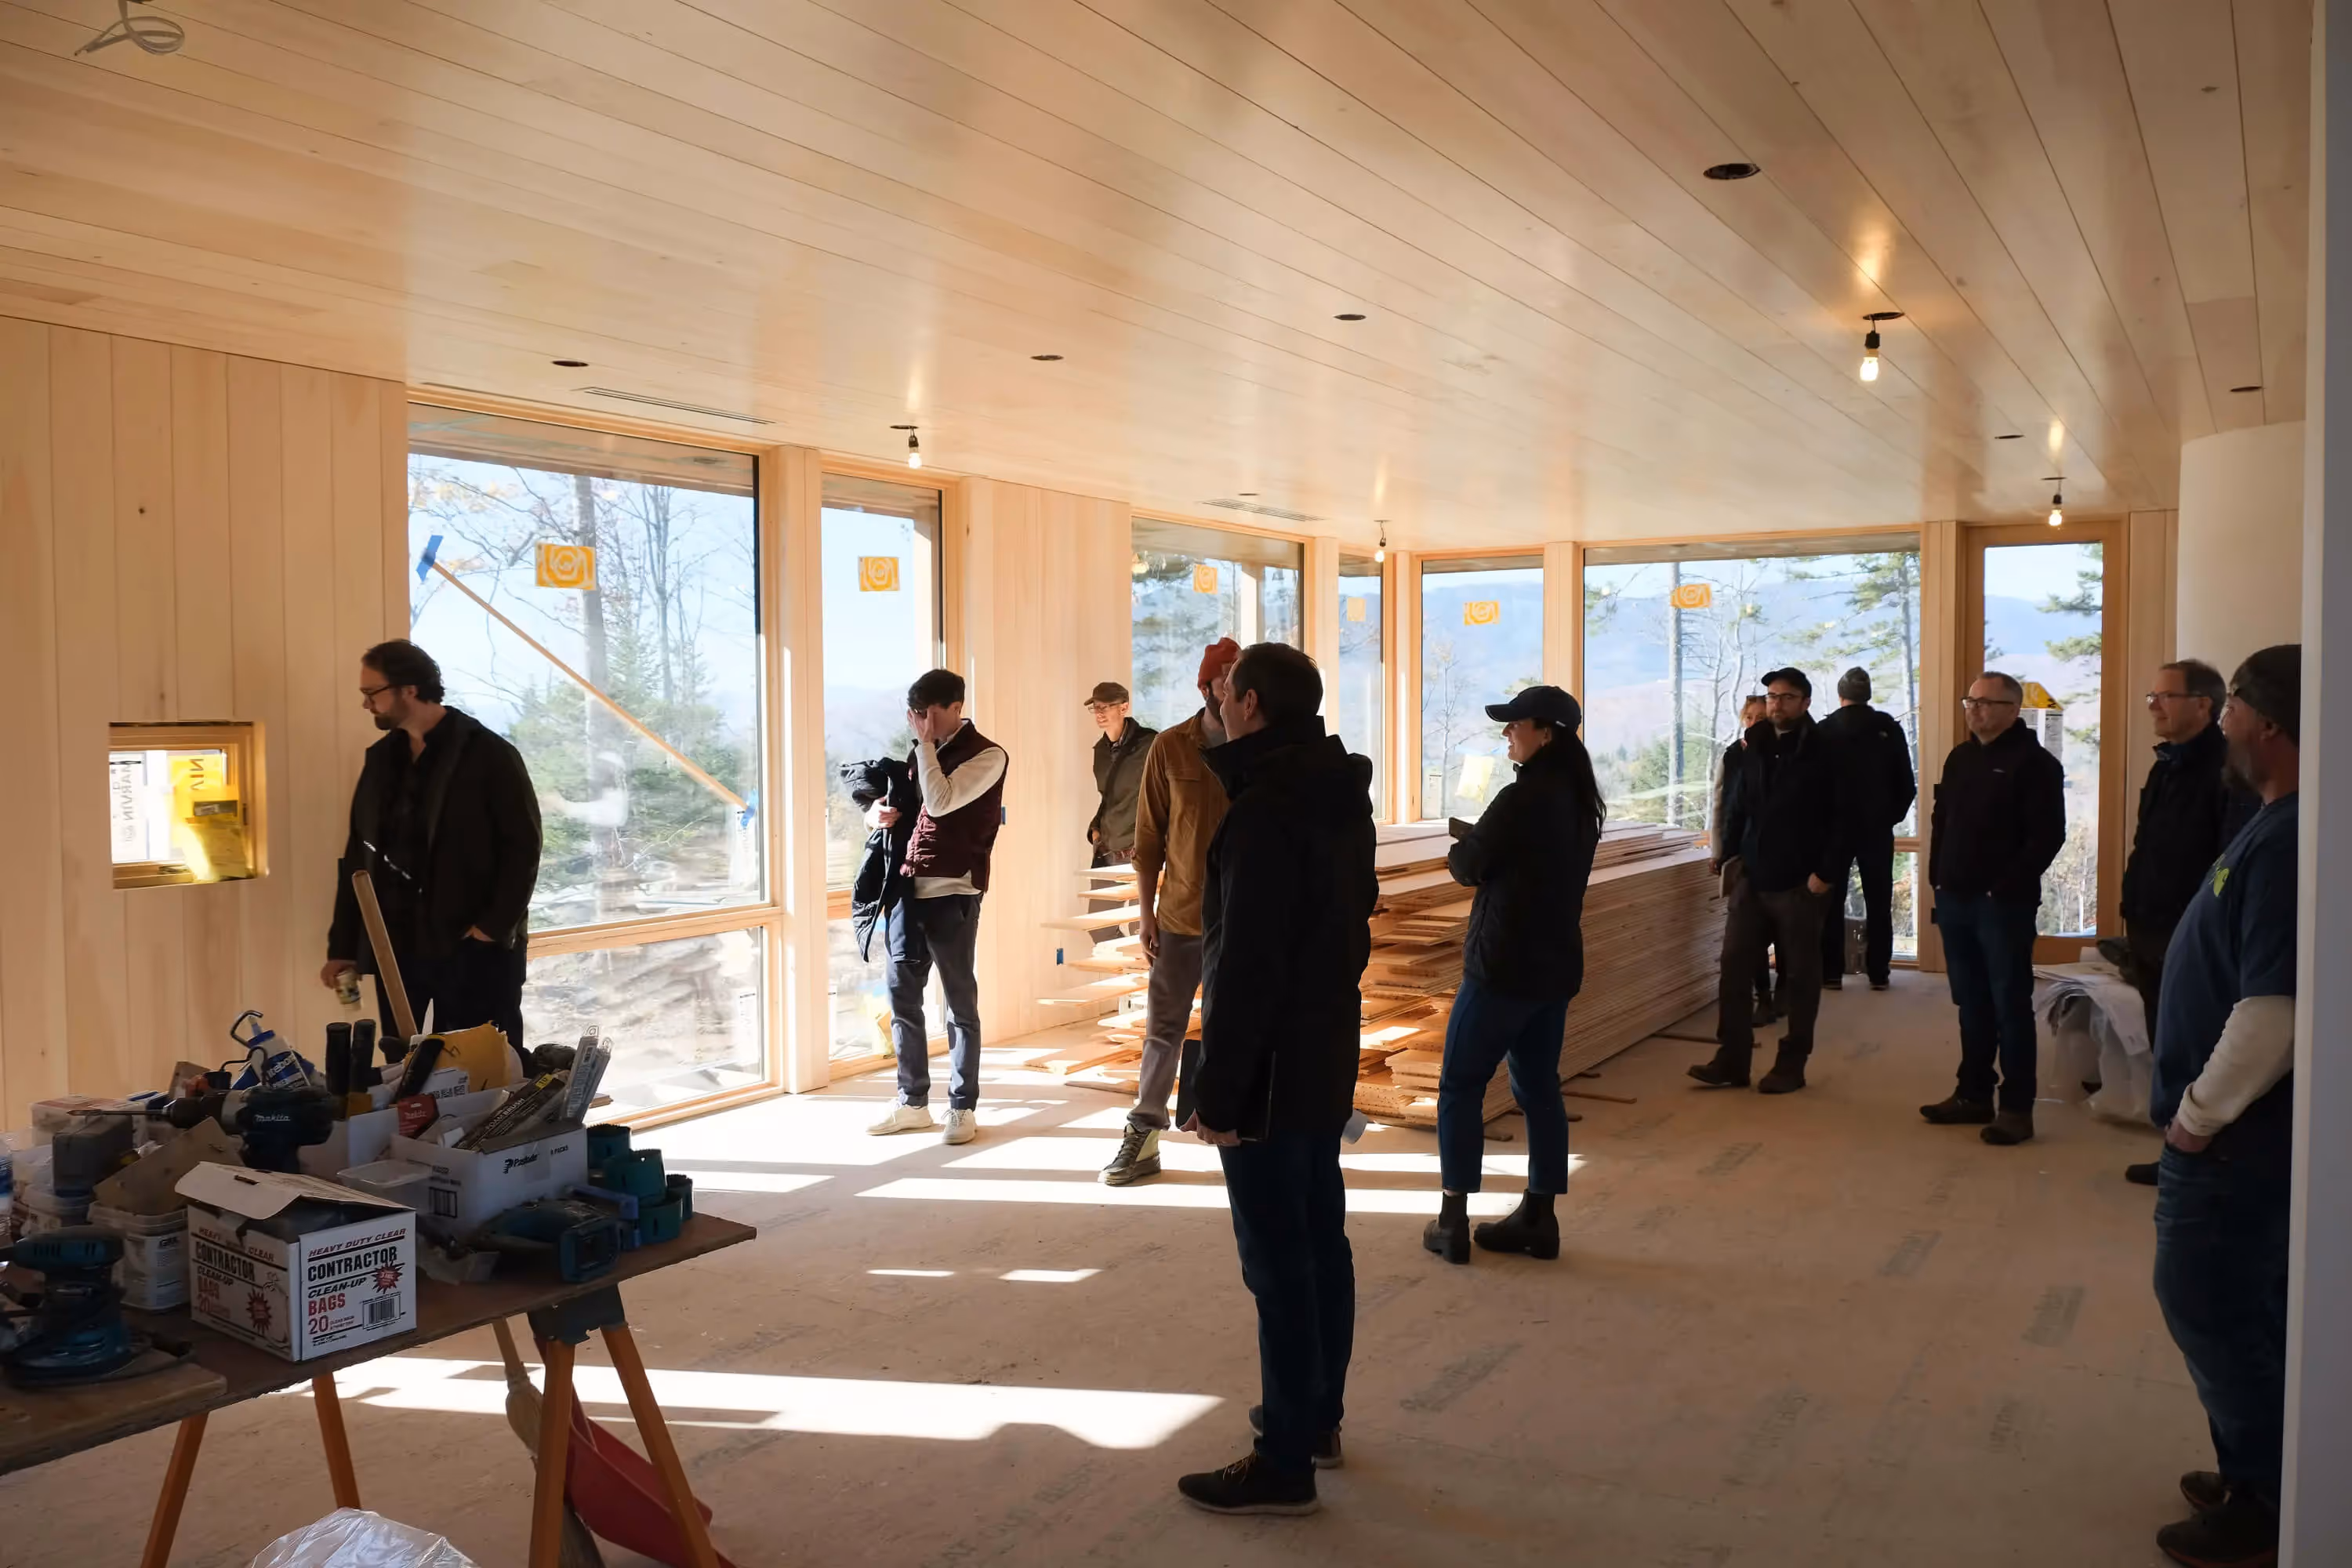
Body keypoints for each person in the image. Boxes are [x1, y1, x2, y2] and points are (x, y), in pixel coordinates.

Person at [1175, 643, 1376, 1516]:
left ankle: (1284, 1461)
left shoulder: (1263, 811)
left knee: (1277, 1264)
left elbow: (1245, 965)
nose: (1216, 704)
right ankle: (1315, 1418)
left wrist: (1219, 1091)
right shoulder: (1339, 796)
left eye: (1224, 692)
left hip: (1267, 1070)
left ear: (1250, 703)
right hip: (1325, 1050)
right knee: (1321, 1241)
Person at [2146, 645, 2299, 1568]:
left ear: (2265, 720)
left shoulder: (2288, 839)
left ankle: (2267, 1502)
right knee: (2243, 1306)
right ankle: (2256, 1470)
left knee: (2210, 1303)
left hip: (2233, 1140)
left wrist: (2196, 1116)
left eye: (2232, 703)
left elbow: (2274, 1009)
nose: (2224, 719)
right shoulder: (2273, 820)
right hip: (2231, 1136)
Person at [1423, 685, 1603, 1265]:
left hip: (1501, 969)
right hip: (1554, 969)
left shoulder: (1520, 797)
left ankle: (1452, 1220)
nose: (1507, 733)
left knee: (1460, 1086)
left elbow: (1469, 868)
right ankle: (1540, 1217)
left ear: (1545, 734)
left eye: (1515, 725)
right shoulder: (1582, 803)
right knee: (1539, 1087)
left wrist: (1468, 844)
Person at [323, 641, 541, 1070]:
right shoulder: (382, 760)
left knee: (485, 1072)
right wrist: (343, 946)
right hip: (397, 950)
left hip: (472, 948)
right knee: (405, 1071)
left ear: (409, 689)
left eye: (372, 693)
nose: (366, 704)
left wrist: (490, 929)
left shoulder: (489, 755)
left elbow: (524, 848)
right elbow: (357, 857)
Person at [2114, 659, 2257, 1186]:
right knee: (2167, 1043)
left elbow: (2228, 862)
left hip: (2192, 932)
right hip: (2148, 923)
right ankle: (2174, 1148)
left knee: (2198, 1044)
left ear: (2203, 705)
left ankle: (2203, 1156)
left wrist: (2205, 919)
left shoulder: (2229, 770)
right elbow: (2147, 845)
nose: (2153, 706)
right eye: (2152, 696)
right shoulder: (2165, 765)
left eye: (2165, 696)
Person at [1100, 641, 1237, 1186]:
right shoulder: (1172, 747)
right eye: (1227, 678)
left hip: (1244, 920)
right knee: (1163, 1030)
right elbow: (1149, 836)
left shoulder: (1261, 746)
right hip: (1181, 916)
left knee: (1237, 1029)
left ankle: (1242, 1133)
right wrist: (1146, 912)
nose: (1238, 688)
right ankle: (1145, 1131)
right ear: (1207, 687)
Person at [1918, 672, 2067, 1146]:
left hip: (2002, 906)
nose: (1974, 710)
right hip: (1955, 898)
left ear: (2013, 709)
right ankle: (1973, 1094)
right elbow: (1942, 820)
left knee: (2009, 1005)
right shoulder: (1960, 759)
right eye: (1970, 701)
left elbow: (2047, 837)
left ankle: (2017, 1109)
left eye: (1985, 703)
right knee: (1971, 1001)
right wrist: (1936, 878)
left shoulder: (2036, 765)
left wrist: (2002, 888)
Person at [864, 669, 1008, 1148]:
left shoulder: (989, 755)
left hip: (955, 892)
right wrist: (874, 815)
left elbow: (942, 802)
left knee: (959, 1005)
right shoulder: (922, 754)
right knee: (902, 1000)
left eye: (928, 714)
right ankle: (912, 1103)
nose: (921, 724)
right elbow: (910, 811)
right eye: (916, 715)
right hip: (908, 892)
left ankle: (962, 1107)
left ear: (955, 707)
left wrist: (925, 746)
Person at [1689, 669, 1842, 1096]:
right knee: (1734, 967)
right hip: (1753, 877)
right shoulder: (1752, 744)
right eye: (1772, 696)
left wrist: (1825, 874)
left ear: (1806, 703)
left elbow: (1844, 818)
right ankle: (1732, 1059)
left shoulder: (1826, 750)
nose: (1777, 703)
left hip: (1800, 882)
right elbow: (1737, 803)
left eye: (1787, 697)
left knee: (1801, 979)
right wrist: (1728, 854)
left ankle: (1792, 1064)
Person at [1813, 667, 1917, 991]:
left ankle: (1831, 972)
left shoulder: (1824, 730)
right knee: (1878, 900)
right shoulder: (1887, 728)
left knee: (1831, 900)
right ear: (1868, 695)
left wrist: (1820, 823)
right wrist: (1888, 817)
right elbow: (1907, 785)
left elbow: (1810, 786)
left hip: (1832, 830)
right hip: (1876, 829)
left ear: (1840, 695)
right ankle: (1878, 972)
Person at [1712, 695, 1779, 1025]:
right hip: (1743, 855)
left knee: (1780, 931)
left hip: (1781, 858)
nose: (1753, 723)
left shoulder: (1784, 756)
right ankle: (1763, 997)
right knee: (1749, 936)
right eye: (1749, 717)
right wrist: (1719, 852)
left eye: (1760, 718)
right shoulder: (1733, 755)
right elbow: (1721, 805)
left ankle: (1784, 994)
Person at [1083, 681, 1157, 866]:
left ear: (1124, 708)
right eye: (1096, 707)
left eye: (1105, 707)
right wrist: (1095, 830)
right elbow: (1107, 798)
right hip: (1105, 851)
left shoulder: (1150, 744)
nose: (1099, 713)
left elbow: (1165, 795)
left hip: (1138, 852)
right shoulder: (1100, 751)